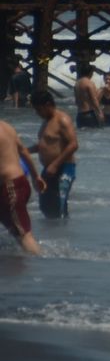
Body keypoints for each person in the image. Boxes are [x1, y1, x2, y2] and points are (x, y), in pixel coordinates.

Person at [29, 90, 79, 220]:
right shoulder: (45, 121)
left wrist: (55, 165)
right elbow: (43, 146)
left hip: (64, 168)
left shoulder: (62, 120)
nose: (37, 113)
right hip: (48, 169)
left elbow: (73, 144)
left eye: (39, 109)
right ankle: (52, 236)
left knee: (59, 206)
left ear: (48, 105)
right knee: (46, 207)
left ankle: (64, 237)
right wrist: (23, 150)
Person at [0, 118, 45, 254]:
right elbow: (23, 151)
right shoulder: (6, 126)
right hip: (19, 183)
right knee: (16, 232)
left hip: (10, 188)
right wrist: (35, 176)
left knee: (24, 235)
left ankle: (45, 265)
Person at [73, 64, 102, 129]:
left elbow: (76, 101)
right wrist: (100, 112)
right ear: (90, 72)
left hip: (80, 115)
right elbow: (94, 99)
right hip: (89, 114)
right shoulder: (89, 83)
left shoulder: (77, 83)